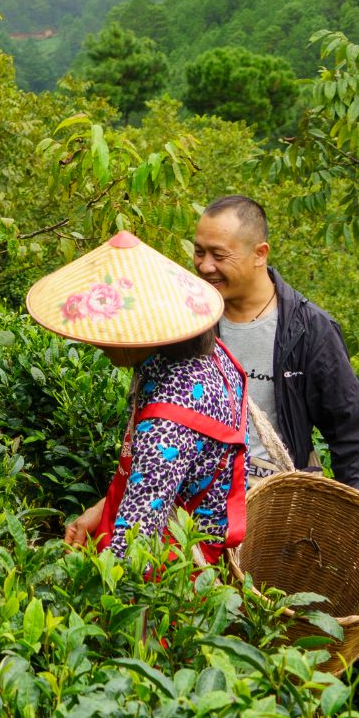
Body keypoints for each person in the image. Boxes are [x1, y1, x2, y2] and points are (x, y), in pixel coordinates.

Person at [31, 231, 252, 565]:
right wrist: (101, 509)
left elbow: (131, 556)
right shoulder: (206, 355)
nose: (97, 341)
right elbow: (158, 481)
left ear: (146, 332)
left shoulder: (167, 423)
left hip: (177, 568)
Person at [191, 194, 359, 499]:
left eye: (218, 255)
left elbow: (350, 434)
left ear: (260, 254)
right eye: (199, 252)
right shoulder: (189, 320)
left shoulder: (309, 329)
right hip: (192, 500)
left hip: (273, 503)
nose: (205, 265)